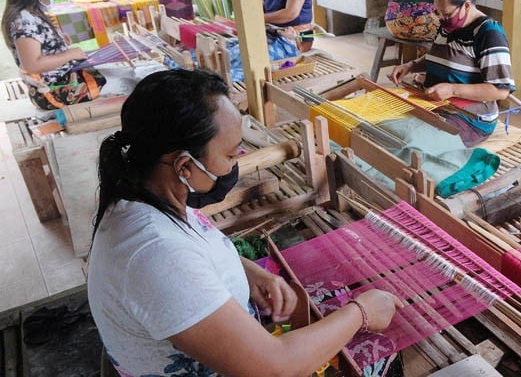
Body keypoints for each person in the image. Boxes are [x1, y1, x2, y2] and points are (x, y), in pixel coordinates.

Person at [87, 69, 402, 376]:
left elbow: (191, 258)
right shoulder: (154, 253)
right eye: (229, 156)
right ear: (184, 166)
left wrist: (248, 273)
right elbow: (274, 367)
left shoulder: (147, 194)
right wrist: (361, 313)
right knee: (378, 352)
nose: (234, 165)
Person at [388, 0, 516, 147]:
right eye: (437, 12)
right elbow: (441, 54)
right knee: (386, 126)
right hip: (436, 105)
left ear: (467, 6)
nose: (441, 19)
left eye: (446, 14)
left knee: (408, 140)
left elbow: (500, 91)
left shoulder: (489, 34)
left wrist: (453, 90)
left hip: (469, 118)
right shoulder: (448, 25)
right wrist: (411, 66)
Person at [2, 0, 106, 110]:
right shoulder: (24, 22)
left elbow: (39, 43)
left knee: (112, 73)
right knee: (120, 82)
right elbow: (32, 65)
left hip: (59, 79)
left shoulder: (30, 13)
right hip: (53, 91)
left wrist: (57, 41)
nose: (52, 0)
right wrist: (69, 54)